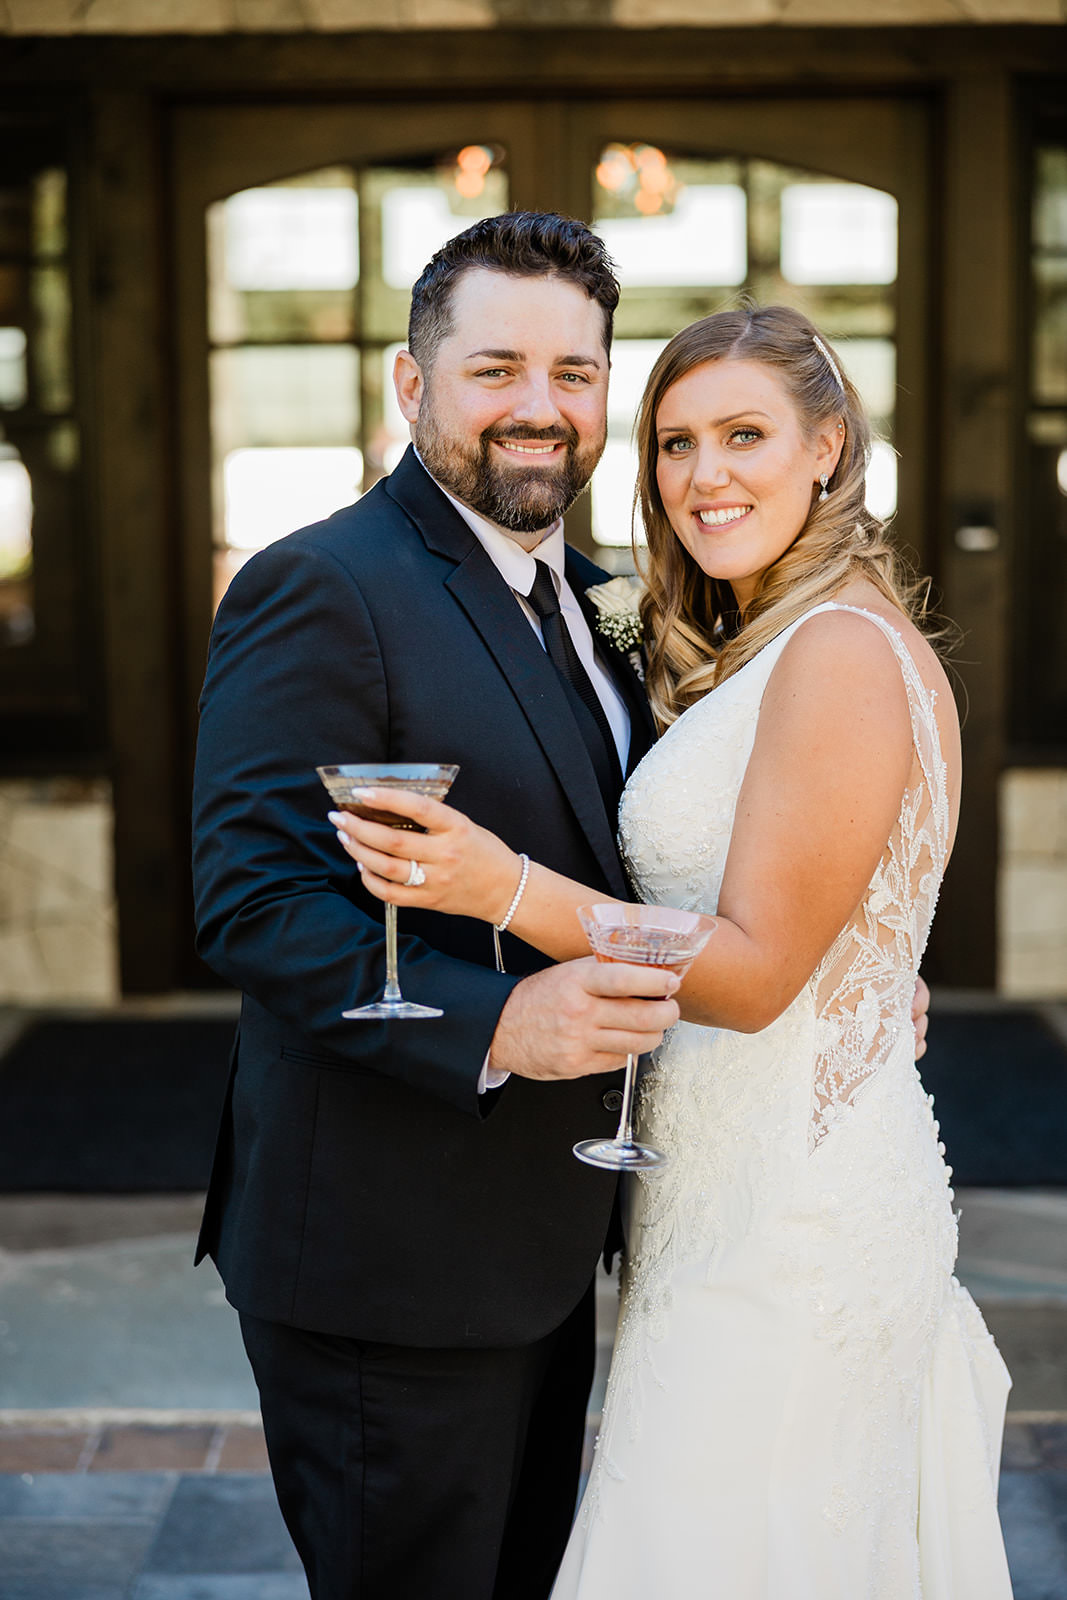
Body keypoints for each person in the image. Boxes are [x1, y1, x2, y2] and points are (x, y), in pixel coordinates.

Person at [332, 306, 1010, 1598]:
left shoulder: (838, 653)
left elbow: (753, 976)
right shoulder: (767, 646)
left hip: (785, 1224)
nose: (704, 478)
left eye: (744, 435)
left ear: (828, 446)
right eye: (675, 444)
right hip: (717, 1199)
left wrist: (502, 884)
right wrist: (864, 957)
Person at [191, 211, 680, 1600]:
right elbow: (253, 899)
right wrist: (500, 1024)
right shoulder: (324, 585)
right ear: (414, 386)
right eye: (496, 369)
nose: (541, 408)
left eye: (575, 374)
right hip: (382, 1262)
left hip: (535, 1247)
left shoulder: (590, 602)